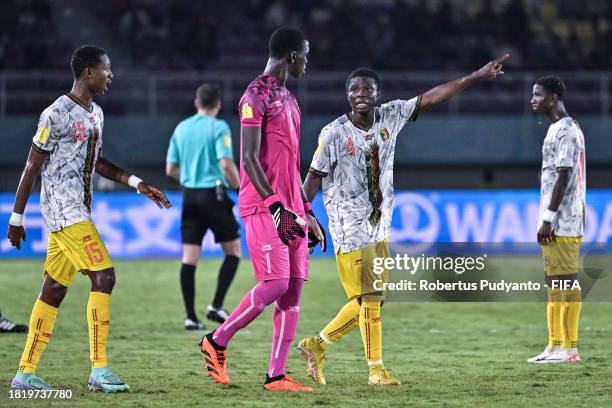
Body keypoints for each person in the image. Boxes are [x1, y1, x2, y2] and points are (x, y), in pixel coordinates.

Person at [297, 55, 509, 385]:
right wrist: (303, 218)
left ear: (377, 94)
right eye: (354, 89)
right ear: (347, 95)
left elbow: (434, 96)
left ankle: (317, 345)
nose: (361, 93)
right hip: (349, 229)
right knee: (369, 299)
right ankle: (376, 370)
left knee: (373, 300)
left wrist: (477, 75)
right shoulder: (334, 134)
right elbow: (311, 179)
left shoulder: (391, 115)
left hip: (379, 227)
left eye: (367, 89)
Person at [7, 45, 171, 392]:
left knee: (52, 290)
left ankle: (24, 373)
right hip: (65, 213)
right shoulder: (54, 114)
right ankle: (99, 369)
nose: (111, 74)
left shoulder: (95, 113)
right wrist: (16, 217)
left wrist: (138, 183)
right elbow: (31, 166)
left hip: (79, 210)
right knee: (105, 276)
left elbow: (97, 162)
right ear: (88, 73)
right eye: (106, 68)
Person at [198, 27, 323, 391]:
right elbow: (249, 158)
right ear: (293, 56)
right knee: (275, 283)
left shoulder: (289, 99)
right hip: (264, 207)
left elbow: (292, 162)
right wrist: (277, 208)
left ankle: (276, 375)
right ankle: (216, 341)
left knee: (294, 288)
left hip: (291, 208)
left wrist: (306, 211)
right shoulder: (255, 95)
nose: (308, 62)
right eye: (306, 55)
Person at [166, 83, 241, 330]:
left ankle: (190, 317)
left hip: (189, 196)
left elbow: (170, 170)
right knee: (233, 251)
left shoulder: (182, 127)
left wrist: (189, 179)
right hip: (214, 195)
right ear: (218, 105)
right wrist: (240, 187)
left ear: (197, 103)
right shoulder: (218, 127)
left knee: (189, 258)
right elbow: (226, 162)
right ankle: (216, 305)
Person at [527, 76, 585, 364]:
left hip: (564, 220)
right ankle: (554, 345)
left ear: (553, 97)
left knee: (566, 282)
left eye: (537, 95)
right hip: (555, 220)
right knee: (554, 283)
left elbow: (564, 176)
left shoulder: (566, 131)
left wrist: (548, 218)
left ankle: (570, 348)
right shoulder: (555, 129)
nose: (533, 100)